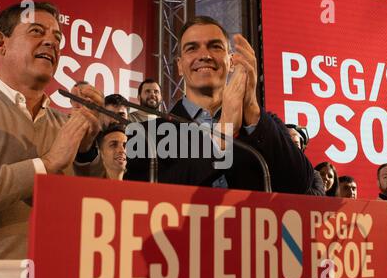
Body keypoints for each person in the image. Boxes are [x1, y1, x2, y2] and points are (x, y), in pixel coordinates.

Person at [0, 2, 103, 276]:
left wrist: (86, 153)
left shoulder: (66, 123)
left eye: (57, 38)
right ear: (1, 43)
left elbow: (97, 214)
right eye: (37, 31)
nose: (52, 42)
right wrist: (45, 165)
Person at [125, 16, 314, 193]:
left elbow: (300, 185)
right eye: (192, 48)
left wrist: (251, 107)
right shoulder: (143, 134)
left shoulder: (263, 125)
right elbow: (144, 197)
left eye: (215, 47)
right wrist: (221, 139)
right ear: (180, 66)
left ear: (231, 61)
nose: (204, 55)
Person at [286, 124, 325, 196]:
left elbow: (319, 199)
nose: (291, 148)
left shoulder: (314, 175)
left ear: (302, 148)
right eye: (287, 144)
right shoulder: (267, 171)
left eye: (296, 144)